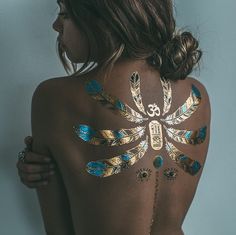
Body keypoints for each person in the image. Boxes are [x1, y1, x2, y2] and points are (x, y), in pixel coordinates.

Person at [16, 0, 211, 234]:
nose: (56, 25)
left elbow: (58, 229)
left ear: (104, 20)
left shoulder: (53, 97)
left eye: (65, 15)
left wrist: (47, 174)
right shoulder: (197, 96)